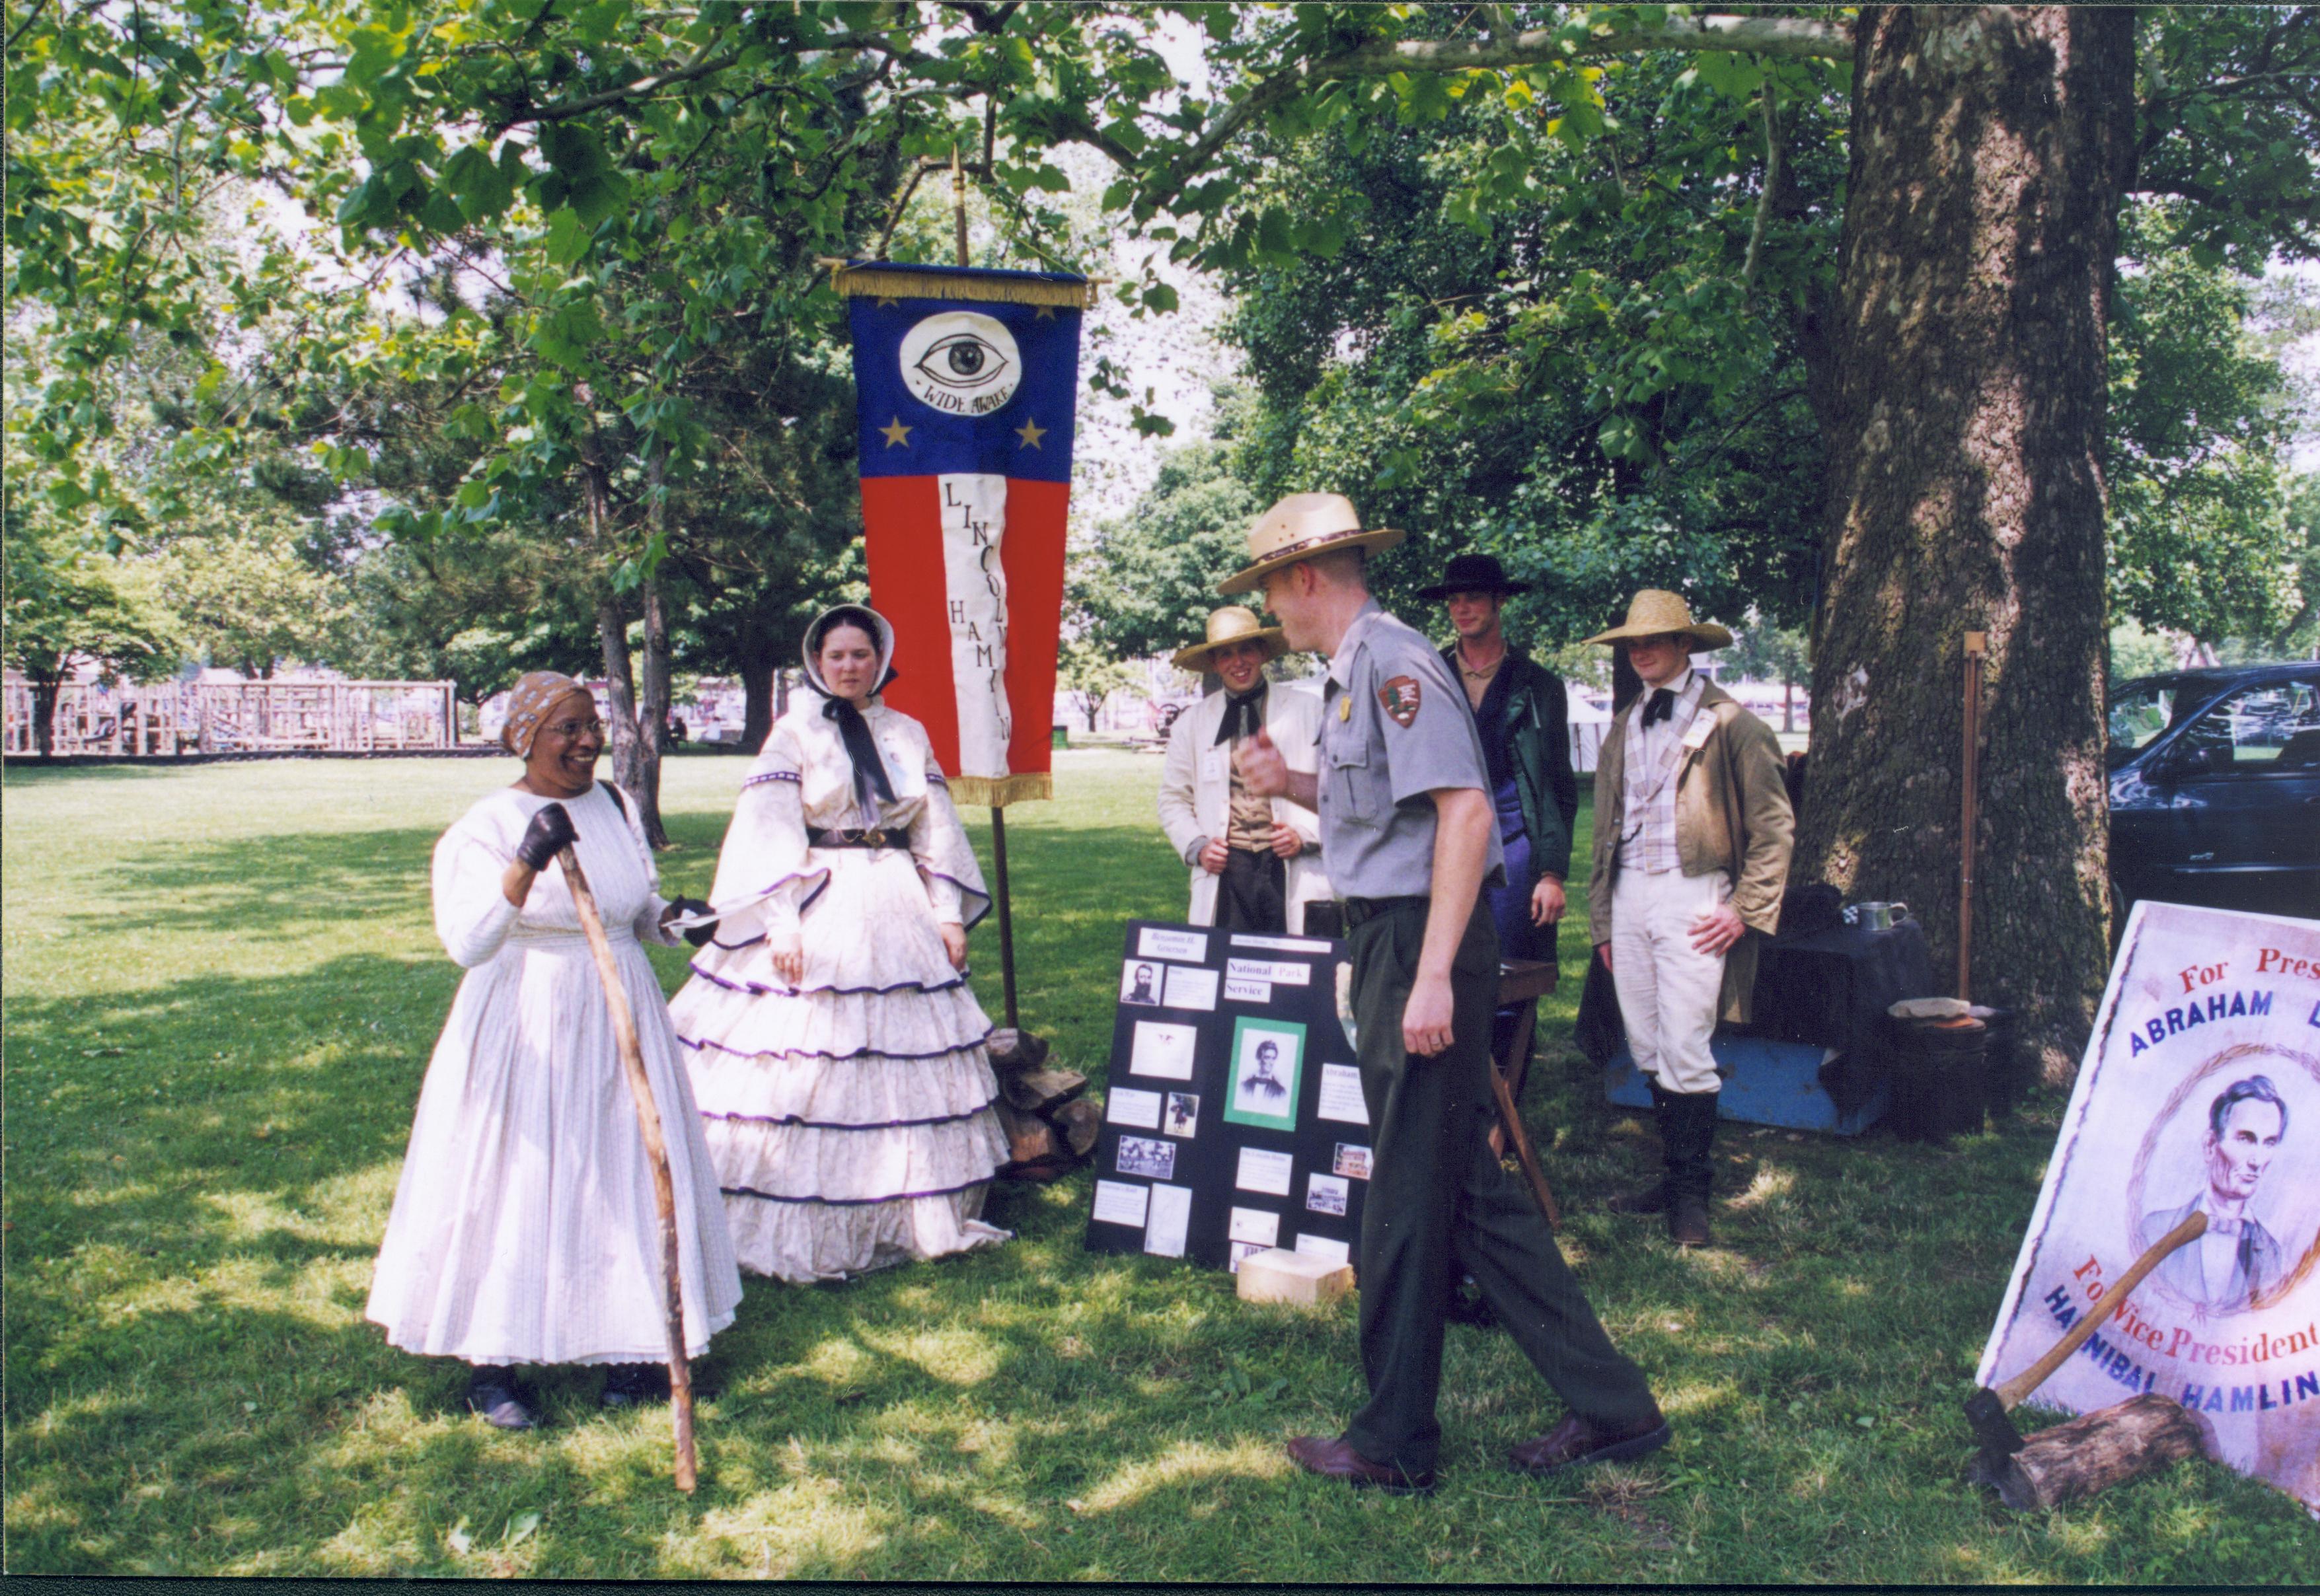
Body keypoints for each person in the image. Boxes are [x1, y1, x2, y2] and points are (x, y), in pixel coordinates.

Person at [1232, 492, 1668, 1494]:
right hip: (1391, 935)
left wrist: (1429, 976)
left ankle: (1389, 1443)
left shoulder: (1391, 663)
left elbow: (1466, 816)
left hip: (1418, 944)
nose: (1270, 609)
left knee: (1404, 1192)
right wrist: (1287, 784)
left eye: (1269, 587)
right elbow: (1385, 815)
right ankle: (1612, 1405)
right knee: (1461, 1190)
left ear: (1304, 578)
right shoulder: (1354, 674)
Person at [367, 671, 743, 1430]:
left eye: (591, 725)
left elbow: (634, 912)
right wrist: (527, 859)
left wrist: (679, 920)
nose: (586, 741)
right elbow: (470, 943)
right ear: (523, 737)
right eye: (566, 729)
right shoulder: (486, 823)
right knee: (518, 1172)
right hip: (525, 1013)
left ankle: (631, 1342)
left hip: (618, 1005)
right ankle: (492, 1360)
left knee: (620, 1165)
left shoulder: (615, 804)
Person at [666, 605, 1010, 1283]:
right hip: (819, 892)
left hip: (895, 898)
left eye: (860, 654)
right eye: (837, 656)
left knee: (897, 1048)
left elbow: (934, 827)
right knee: (808, 1049)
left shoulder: (907, 733)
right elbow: (767, 829)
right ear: (816, 662)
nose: (849, 667)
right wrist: (782, 920)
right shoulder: (792, 733)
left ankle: (912, 1206)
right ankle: (801, 1208)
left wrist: (945, 910)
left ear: (879, 659)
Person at [1585, 591, 1794, 1249]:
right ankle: (1668, 1181)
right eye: (1633, 643)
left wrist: (1744, 909)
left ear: (1685, 646)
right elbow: (1603, 831)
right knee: (1646, 1041)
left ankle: (1691, 1199)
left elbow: (1774, 829)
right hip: (1630, 895)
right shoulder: (1622, 724)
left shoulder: (1734, 724)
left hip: (1694, 893)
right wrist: (1602, 921)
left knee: (1684, 1044)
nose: (1641, 651)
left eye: (1656, 639)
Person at [1416, 552, 1577, 1058]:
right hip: (1437, 847)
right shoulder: (1426, 674)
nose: (1462, 609)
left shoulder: (1539, 687)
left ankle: (1502, 1115)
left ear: (1499, 601)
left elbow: (1555, 786)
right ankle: (1452, 1102)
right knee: (1439, 970)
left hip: (1513, 848)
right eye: (1453, 600)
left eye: (1474, 598)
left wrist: (1550, 872)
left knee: (1509, 978)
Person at [1156, 605, 1329, 935]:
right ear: (1214, 663)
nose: (1238, 662)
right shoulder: (1191, 723)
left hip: (1290, 863)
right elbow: (1172, 799)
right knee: (1228, 974)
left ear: (1262, 652)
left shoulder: (1310, 711)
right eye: (1226, 654)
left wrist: (1305, 836)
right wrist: (1197, 847)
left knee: (1298, 974)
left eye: (1246, 649)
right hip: (1227, 871)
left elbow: (1339, 790)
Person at [2138, 1075, 2289, 1313]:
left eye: (2269, 1143)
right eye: (2245, 1139)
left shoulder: (2270, 1253)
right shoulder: (2155, 1229)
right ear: (2210, 1145)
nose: (2257, 1161)